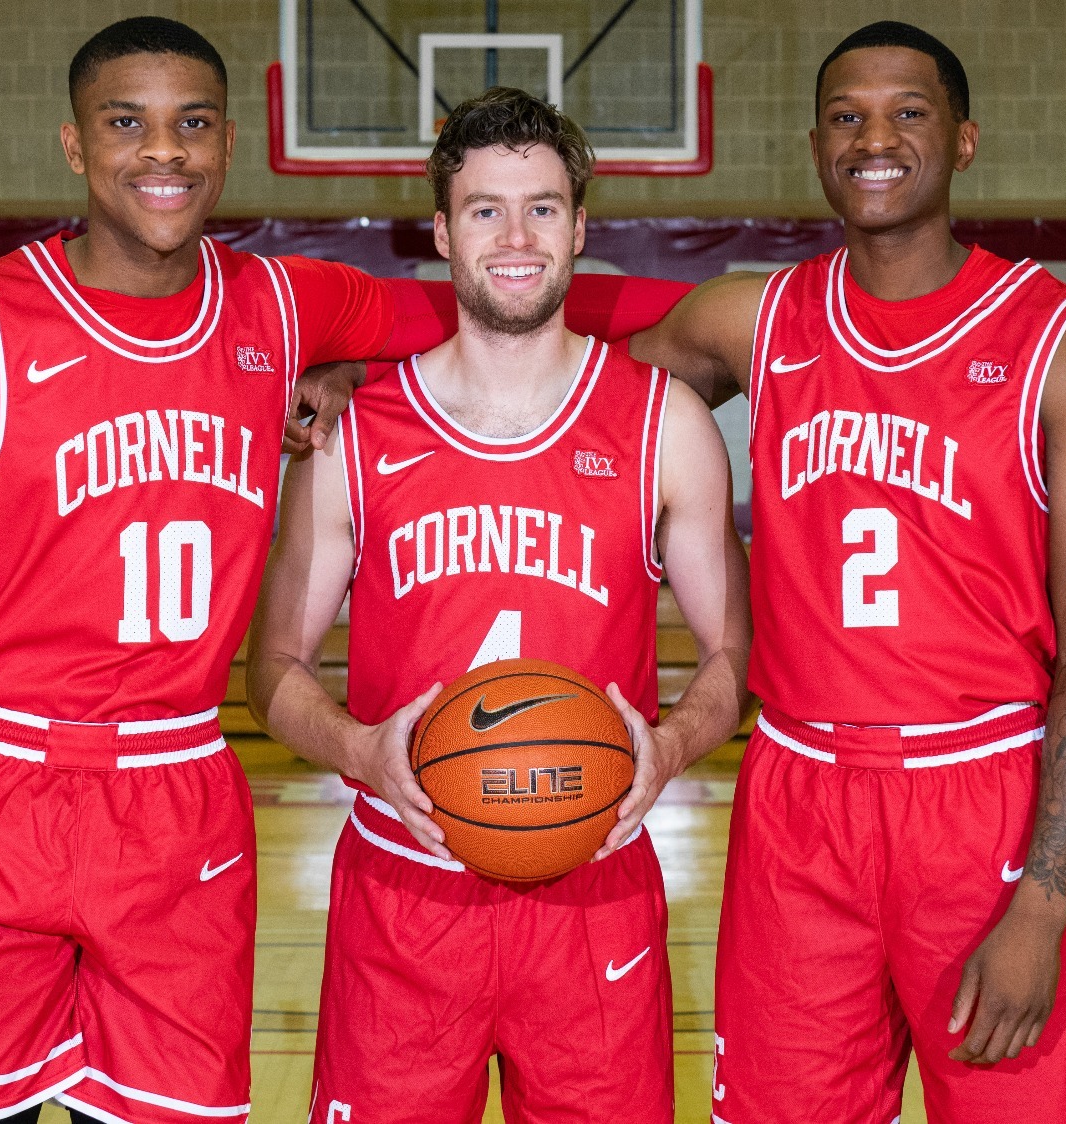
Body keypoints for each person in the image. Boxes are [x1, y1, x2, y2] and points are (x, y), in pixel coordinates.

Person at [0, 16, 501, 1124]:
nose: (162, 152)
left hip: (179, 798)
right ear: (74, 146)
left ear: (226, 147)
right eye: (126, 124)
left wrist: (350, 359)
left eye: (191, 125)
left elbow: (493, 312)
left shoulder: (279, 304)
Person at [626, 21, 1066, 1123]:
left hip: (982, 801)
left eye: (906, 112)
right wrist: (357, 382)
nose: (873, 137)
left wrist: (1040, 908)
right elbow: (569, 418)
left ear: (962, 140)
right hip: (796, 794)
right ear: (816, 143)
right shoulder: (747, 318)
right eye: (845, 115)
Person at [247, 88, 751, 1124]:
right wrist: (358, 750)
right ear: (439, 231)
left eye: (540, 208)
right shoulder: (353, 434)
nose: (514, 237)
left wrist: (665, 747)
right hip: (403, 885)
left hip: (593, 881)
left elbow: (730, 655)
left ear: (580, 226)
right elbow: (273, 668)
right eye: (483, 209)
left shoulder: (664, 425)